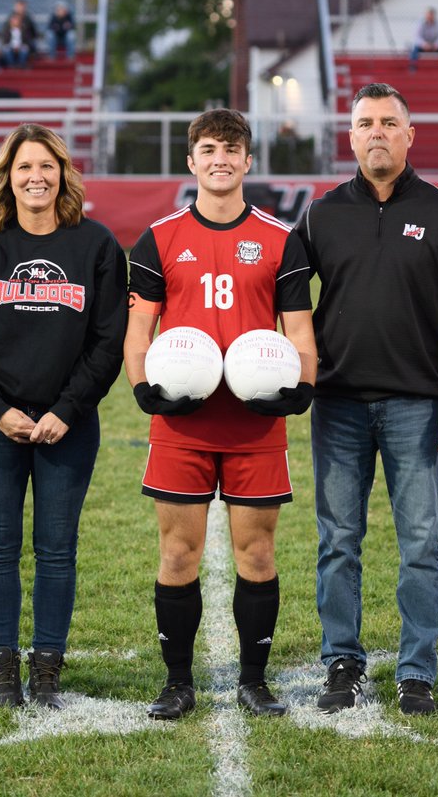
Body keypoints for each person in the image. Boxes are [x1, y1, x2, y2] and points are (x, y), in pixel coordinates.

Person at [295, 82, 438, 716]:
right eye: (365, 123)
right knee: (338, 540)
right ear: (349, 137)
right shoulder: (322, 214)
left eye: (388, 122)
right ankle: (343, 663)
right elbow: (289, 304)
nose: (376, 132)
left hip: (417, 406)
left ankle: (416, 671)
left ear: (410, 134)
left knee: (420, 543)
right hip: (339, 405)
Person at [124, 108, 318, 721]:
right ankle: (177, 681)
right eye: (209, 149)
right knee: (178, 552)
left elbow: (301, 333)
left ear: (248, 161)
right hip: (180, 422)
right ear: (191, 160)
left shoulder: (283, 239)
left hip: (255, 423)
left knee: (256, 554)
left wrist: (303, 386)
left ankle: (253, 681)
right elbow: (138, 332)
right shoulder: (158, 238)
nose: (220, 160)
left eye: (232, 150)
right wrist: (141, 387)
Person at [0, 124, 127, 710]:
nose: (36, 178)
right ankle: (2, 670)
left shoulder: (96, 246)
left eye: (46, 167)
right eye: (24, 167)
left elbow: (107, 342)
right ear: (7, 178)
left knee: (57, 548)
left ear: (63, 175)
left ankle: (46, 668)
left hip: (66, 428)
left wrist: (66, 411)